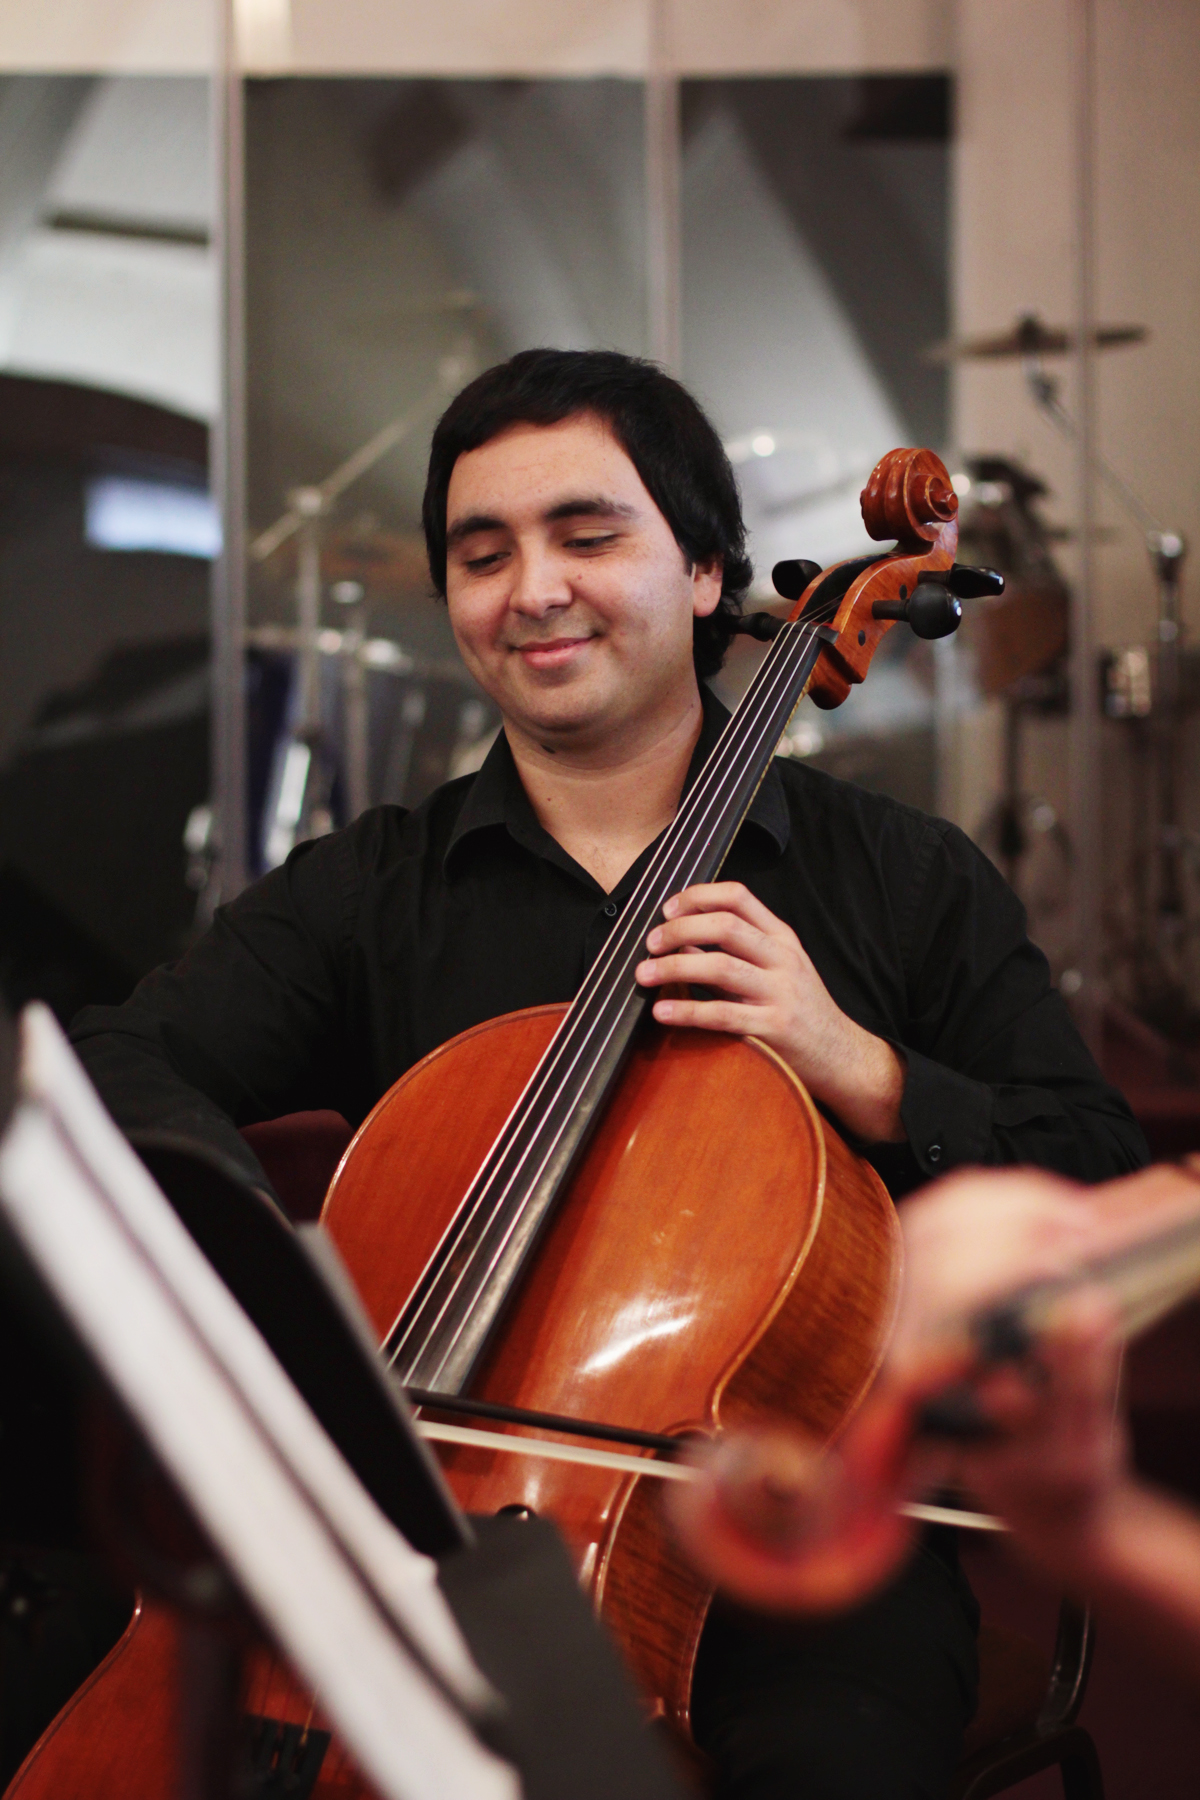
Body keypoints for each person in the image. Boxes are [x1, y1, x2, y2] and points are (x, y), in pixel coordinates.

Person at [70, 348, 1147, 1799]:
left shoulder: (903, 882)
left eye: (587, 536)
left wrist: (862, 1067)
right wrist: (262, 1263)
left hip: (796, 1558)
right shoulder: (373, 889)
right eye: (483, 554)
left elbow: (1104, 1186)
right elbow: (115, 1066)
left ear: (704, 572)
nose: (534, 590)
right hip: (411, 1522)